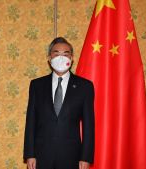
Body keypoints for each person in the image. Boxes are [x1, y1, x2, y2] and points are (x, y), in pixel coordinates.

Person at [23, 37, 95, 169]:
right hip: (41, 156)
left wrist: (86, 157)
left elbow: (89, 125)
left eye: (66, 54)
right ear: (49, 58)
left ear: (72, 58)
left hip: (72, 156)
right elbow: (31, 121)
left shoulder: (85, 86)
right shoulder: (36, 85)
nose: (61, 57)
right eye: (56, 53)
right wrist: (29, 154)